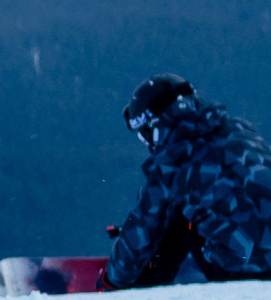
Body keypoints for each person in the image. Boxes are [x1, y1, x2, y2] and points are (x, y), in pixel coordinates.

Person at [105, 75, 271, 288]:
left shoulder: (172, 161)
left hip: (243, 269)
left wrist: (109, 280)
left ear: (154, 126)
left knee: (173, 217)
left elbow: (142, 229)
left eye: (144, 135)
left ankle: (144, 288)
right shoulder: (242, 132)